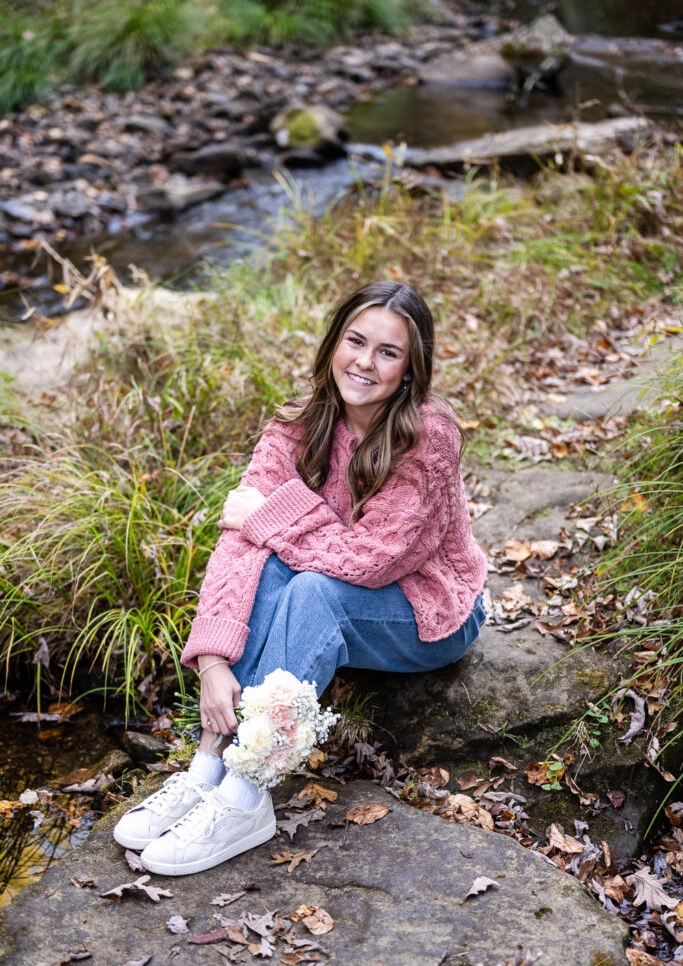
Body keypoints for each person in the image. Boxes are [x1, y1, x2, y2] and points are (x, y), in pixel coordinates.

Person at [113, 280, 488, 876]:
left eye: (388, 353)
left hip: (429, 608)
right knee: (263, 560)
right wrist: (211, 662)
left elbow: (374, 559)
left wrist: (273, 515)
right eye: (355, 341)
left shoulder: (428, 435)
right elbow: (240, 544)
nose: (365, 362)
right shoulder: (299, 421)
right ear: (334, 342)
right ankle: (206, 768)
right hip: (340, 584)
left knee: (309, 589)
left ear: (411, 371)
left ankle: (245, 793)